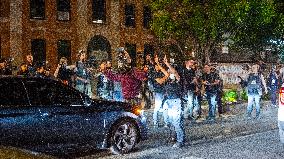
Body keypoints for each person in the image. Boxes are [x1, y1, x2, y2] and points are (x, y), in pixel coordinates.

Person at [161, 55, 185, 148]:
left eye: (170, 70)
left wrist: (167, 63)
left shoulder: (178, 79)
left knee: (177, 122)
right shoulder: (167, 80)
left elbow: (174, 72)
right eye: (168, 71)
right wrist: (158, 64)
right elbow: (164, 71)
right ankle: (174, 137)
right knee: (170, 122)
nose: (168, 71)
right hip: (168, 102)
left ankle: (180, 141)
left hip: (176, 102)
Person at [149, 54, 169, 128]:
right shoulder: (153, 73)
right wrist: (166, 77)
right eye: (158, 65)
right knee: (157, 108)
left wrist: (165, 77)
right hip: (158, 92)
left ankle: (166, 123)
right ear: (155, 66)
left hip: (164, 91)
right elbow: (160, 81)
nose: (159, 66)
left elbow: (167, 76)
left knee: (165, 107)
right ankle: (155, 123)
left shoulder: (161, 72)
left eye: (160, 65)